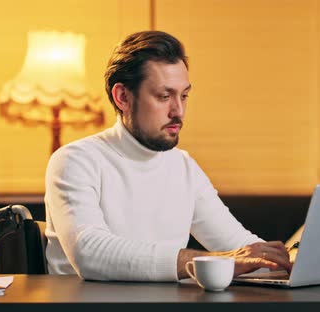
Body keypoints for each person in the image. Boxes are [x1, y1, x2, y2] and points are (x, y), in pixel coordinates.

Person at [44, 30, 292, 281]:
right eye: (164, 96)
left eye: (184, 95)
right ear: (123, 97)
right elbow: (91, 253)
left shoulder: (183, 166)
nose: (179, 111)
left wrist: (293, 261)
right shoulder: (74, 160)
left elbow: (241, 248)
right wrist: (219, 260)